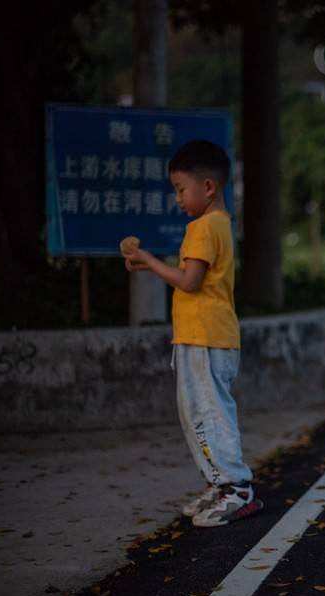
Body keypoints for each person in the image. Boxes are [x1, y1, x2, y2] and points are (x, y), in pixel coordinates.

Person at [122, 140, 262, 527]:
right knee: (198, 414)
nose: (177, 198)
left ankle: (237, 490)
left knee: (208, 415)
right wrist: (151, 265)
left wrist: (149, 260)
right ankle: (219, 486)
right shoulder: (217, 224)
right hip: (201, 336)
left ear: (209, 187)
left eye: (181, 189)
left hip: (205, 337)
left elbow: (189, 281)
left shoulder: (203, 227)